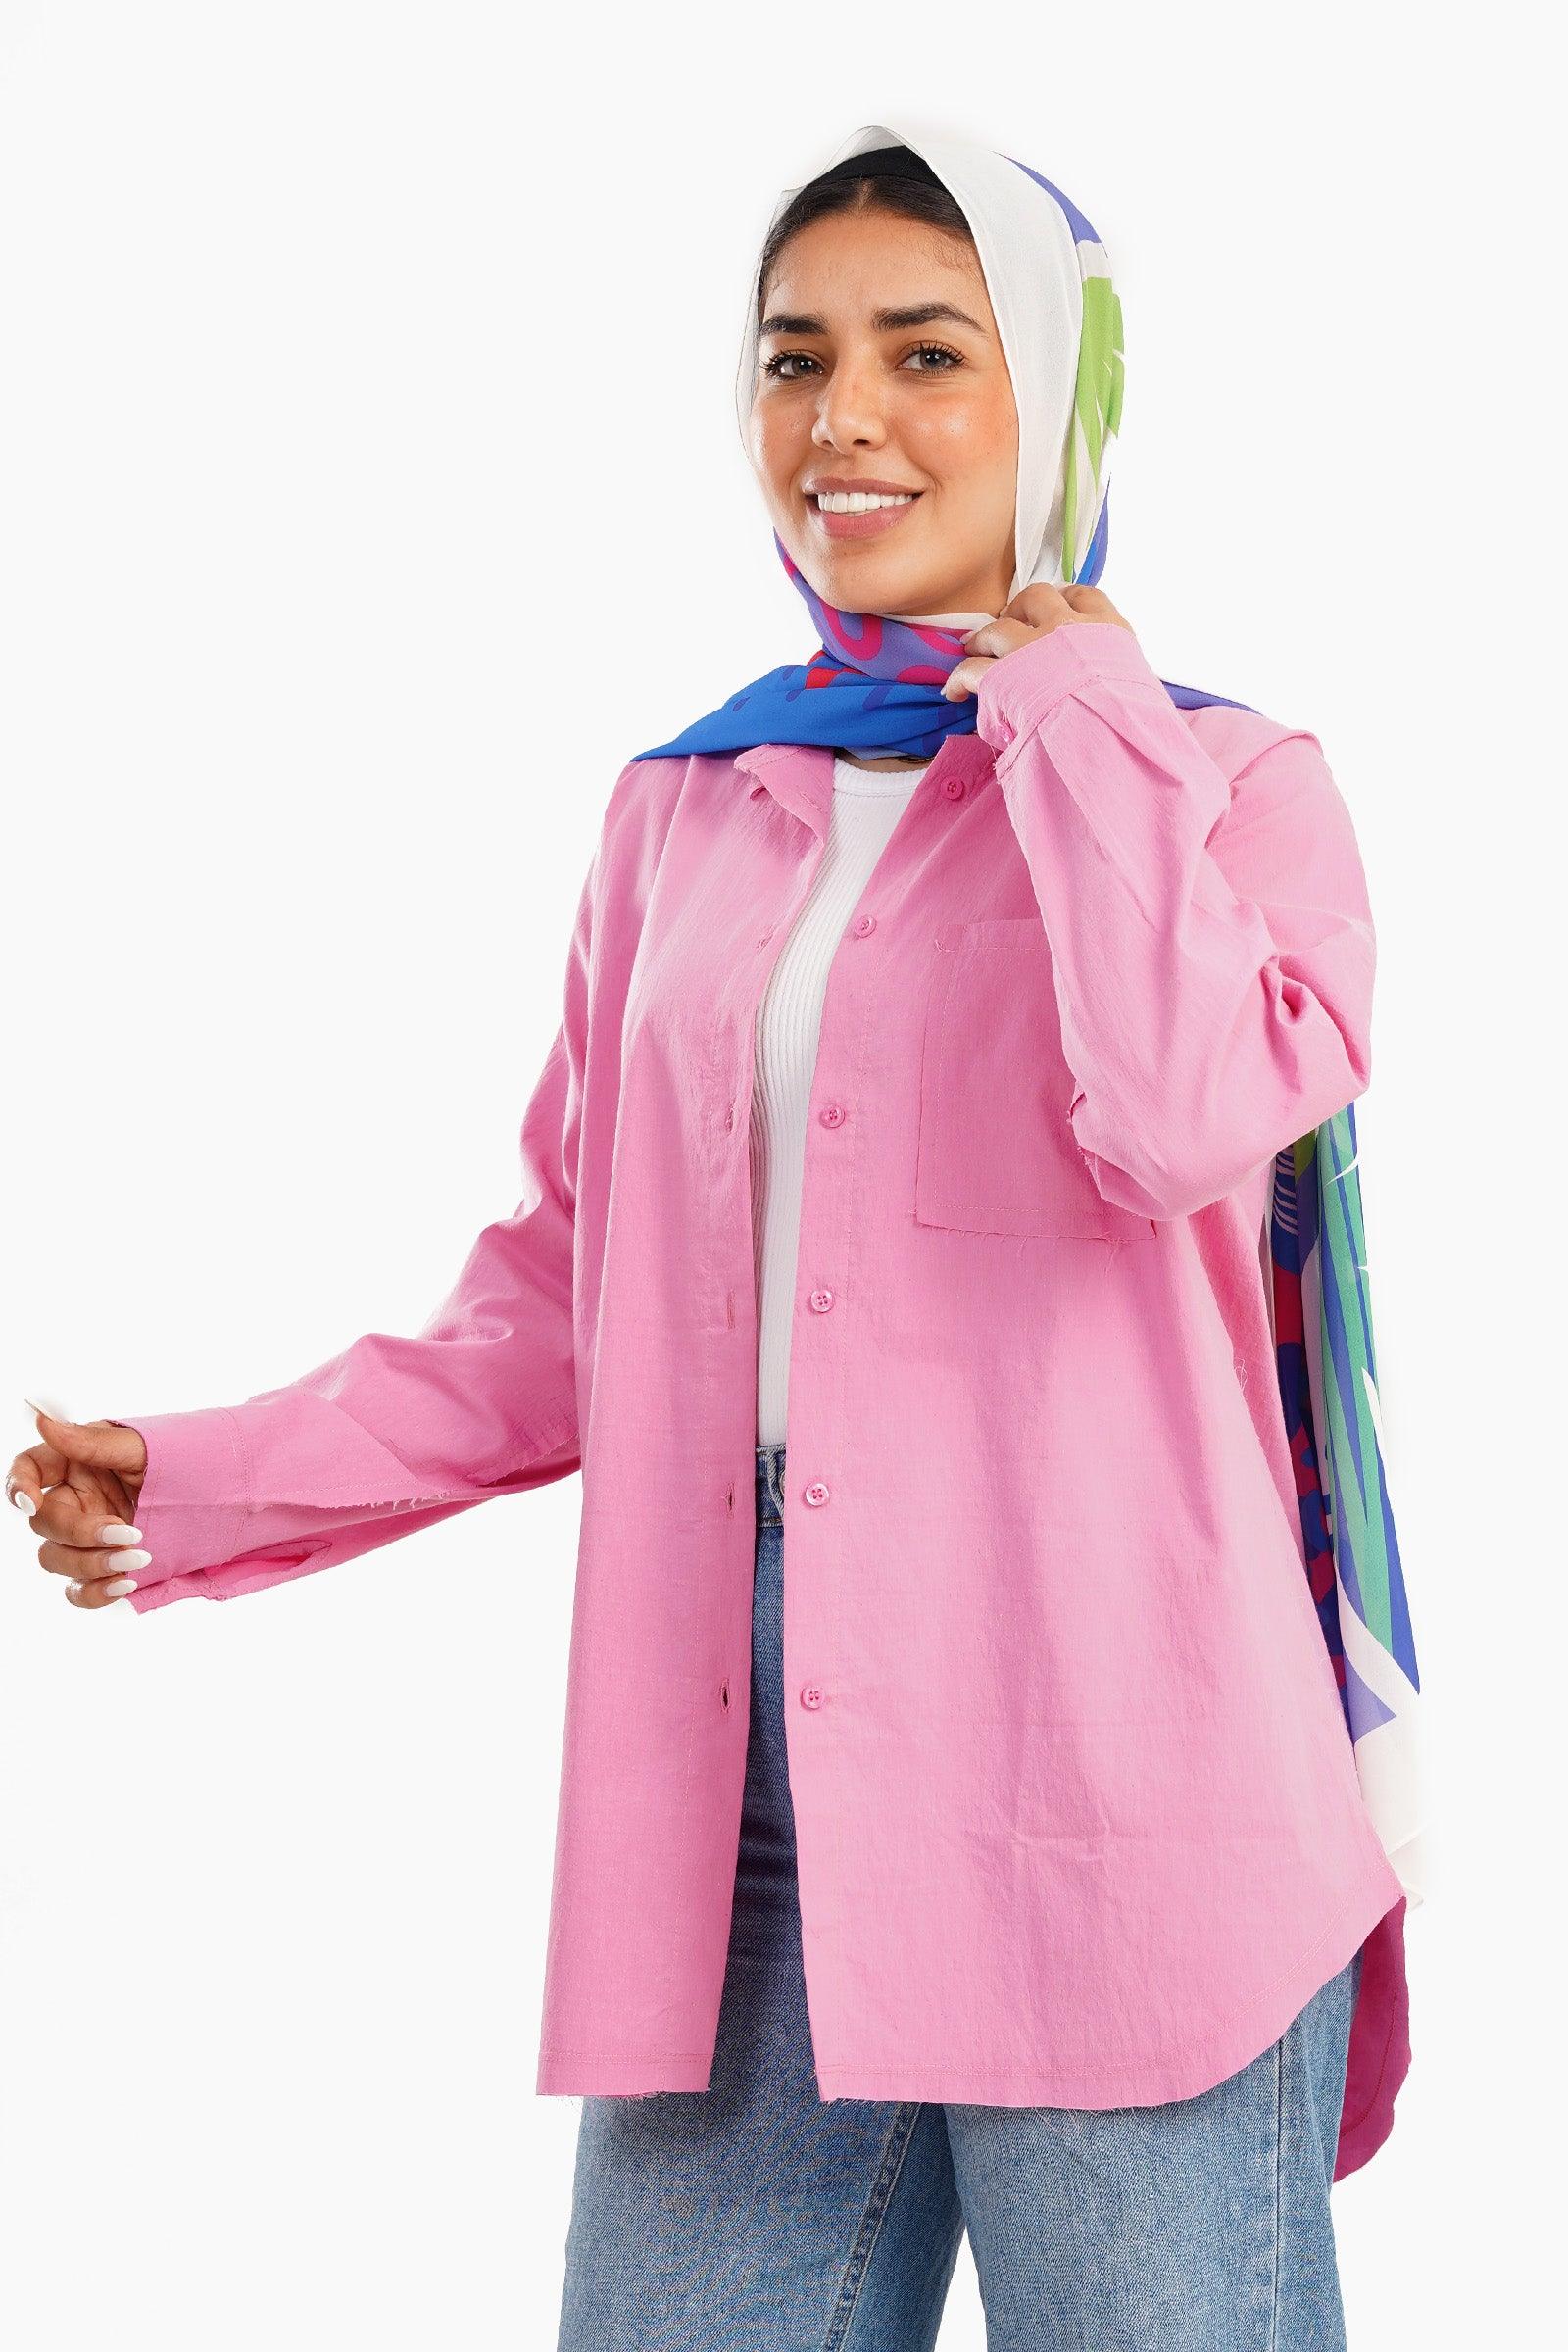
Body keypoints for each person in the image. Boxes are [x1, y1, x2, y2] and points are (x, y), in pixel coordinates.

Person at [9, 119, 1421, 2349]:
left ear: (1059, 394)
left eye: (926, 352)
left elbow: (1177, 1121)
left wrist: (1072, 704)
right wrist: (200, 1478)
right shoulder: (687, 807)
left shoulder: (1226, 784)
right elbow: (570, 1307)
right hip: (738, 1769)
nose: (843, 418)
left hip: (1114, 1771)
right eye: (794, 358)